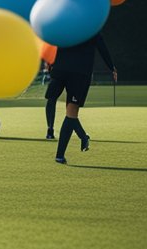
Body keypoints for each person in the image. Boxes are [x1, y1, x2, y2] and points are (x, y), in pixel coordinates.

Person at [46, 32, 117, 164]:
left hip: (62, 69)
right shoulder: (91, 25)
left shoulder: (65, 23)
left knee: (68, 111)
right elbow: (101, 45)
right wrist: (111, 67)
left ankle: (80, 139)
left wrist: (50, 61)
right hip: (78, 73)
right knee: (71, 113)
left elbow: (53, 39)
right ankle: (61, 154)